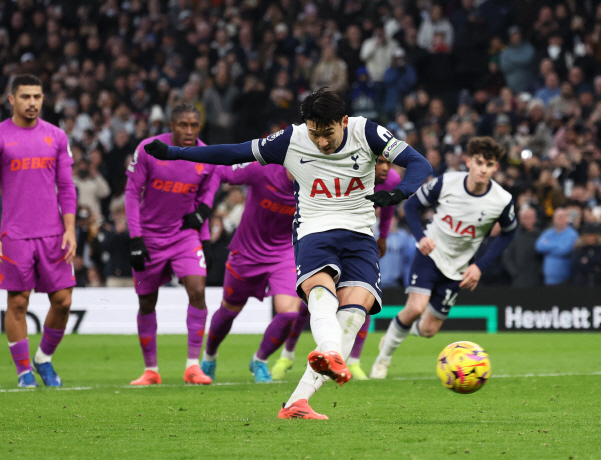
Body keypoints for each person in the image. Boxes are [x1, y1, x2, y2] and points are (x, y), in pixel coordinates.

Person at [143, 88, 432, 419]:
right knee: (322, 295)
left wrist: (399, 192)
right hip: (314, 230)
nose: (321, 141)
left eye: (328, 133)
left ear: (344, 121)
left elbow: (417, 163)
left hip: (360, 236)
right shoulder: (291, 139)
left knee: (352, 316)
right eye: (314, 133)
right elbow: (233, 152)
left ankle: (298, 400)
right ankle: (331, 354)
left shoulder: (365, 131)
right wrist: (174, 152)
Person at [370, 137, 516, 379]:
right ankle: (382, 360)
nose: (483, 169)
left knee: (428, 330)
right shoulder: (447, 182)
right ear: (468, 162)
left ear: (495, 168)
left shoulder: (501, 200)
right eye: (479, 162)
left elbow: (508, 234)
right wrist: (420, 237)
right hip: (431, 253)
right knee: (415, 308)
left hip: (458, 267)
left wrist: (479, 266)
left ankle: (398, 332)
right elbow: (412, 206)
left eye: (489, 164)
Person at [0, 74, 77, 388]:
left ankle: (43, 359)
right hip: (15, 234)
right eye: (25, 97)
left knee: (63, 301)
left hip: (53, 233)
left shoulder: (57, 137)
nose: (32, 103)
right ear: (12, 99)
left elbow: (66, 186)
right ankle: (24, 373)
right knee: (18, 303)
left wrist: (71, 228)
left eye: (37, 96)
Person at [270, 154, 403, 382]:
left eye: (388, 163)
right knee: (311, 301)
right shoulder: (344, 168)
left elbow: (387, 207)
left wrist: (382, 237)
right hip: (322, 236)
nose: (384, 168)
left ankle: (353, 361)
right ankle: (288, 354)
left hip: (359, 239)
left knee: (364, 298)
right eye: (379, 162)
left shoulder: (390, 180)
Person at [124, 104, 218, 386]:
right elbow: (130, 193)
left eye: (194, 126)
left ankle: (192, 366)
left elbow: (209, 191)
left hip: (183, 236)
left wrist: (204, 223)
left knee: (198, 289)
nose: (189, 131)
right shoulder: (148, 149)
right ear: (171, 125)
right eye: (183, 125)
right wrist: (135, 238)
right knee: (147, 301)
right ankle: (151, 370)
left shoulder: (206, 156)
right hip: (149, 237)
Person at [199, 161, 302, 384]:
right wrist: (205, 206)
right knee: (229, 311)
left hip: (285, 253)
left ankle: (260, 360)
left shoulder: (318, 180)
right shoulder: (262, 168)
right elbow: (220, 171)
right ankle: (209, 357)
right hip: (246, 253)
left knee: (289, 313)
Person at [535, 207, 578, 285]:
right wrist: (558, 245)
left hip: (565, 279)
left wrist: (548, 247)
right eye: (557, 217)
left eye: (562, 217)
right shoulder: (548, 232)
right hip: (548, 278)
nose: (559, 219)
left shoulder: (572, 234)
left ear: (567, 218)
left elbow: (565, 250)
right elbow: (539, 246)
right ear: (553, 219)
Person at [502, 206, 542, 288]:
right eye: (525, 218)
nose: (528, 220)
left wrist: (540, 272)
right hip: (519, 280)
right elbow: (507, 257)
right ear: (520, 219)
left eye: (530, 217)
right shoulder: (513, 236)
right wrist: (515, 273)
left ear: (535, 218)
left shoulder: (541, 235)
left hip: (538, 280)